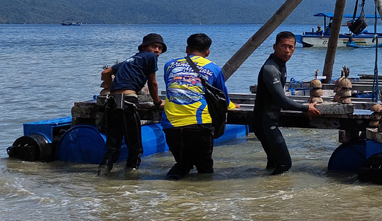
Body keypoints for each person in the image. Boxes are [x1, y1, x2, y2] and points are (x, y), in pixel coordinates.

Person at [160, 33, 236, 180]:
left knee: (182, 164)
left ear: (187, 48)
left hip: (171, 124)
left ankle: (174, 196)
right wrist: (232, 105)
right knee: (205, 169)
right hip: (199, 124)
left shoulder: (169, 64)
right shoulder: (213, 68)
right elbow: (221, 95)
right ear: (208, 52)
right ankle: (203, 198)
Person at [251, 31, 320, 175]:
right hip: (265, 122)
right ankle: (276, 193)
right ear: (275, 46)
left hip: (268, 119)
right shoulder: (270, 69)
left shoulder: (280, 64)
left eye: (291, 47)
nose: (287, 50)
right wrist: (306, 107)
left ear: (295, 47)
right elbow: (282, 101)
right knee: (285, 164)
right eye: (283, 46)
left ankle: (266, 192)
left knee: (274, 162)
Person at [98, 33, 165, 176]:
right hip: (128, 100)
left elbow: (106, 72)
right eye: (153, 46)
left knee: (112, 147)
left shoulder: (131, 59)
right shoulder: (150, 57)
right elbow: (152, 83)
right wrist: (157, 102)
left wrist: (110, 88)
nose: (157, 50)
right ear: (145, 47)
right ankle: (131, 181)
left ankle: (101, 177)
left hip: (112, 102)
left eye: (160, 48)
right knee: (135, 147)